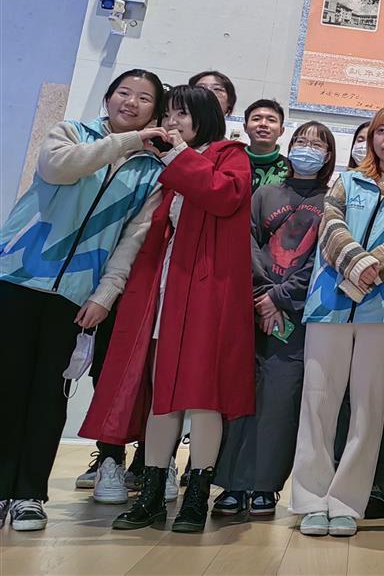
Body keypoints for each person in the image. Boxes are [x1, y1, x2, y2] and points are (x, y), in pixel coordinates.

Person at [81, 85, 254, 534]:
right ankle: (152, 494)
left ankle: (197, 496)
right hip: (163, 293)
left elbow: (224, 196)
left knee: (204, 398)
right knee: (162, 396)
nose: (171, 122)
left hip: (206, 297)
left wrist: (178, 155)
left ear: (204, 117)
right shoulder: (165, 166)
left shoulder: (230, 155)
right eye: (168, 115)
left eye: (181, 114)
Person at [0, 69, 167, 531]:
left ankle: (28, 495)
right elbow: (59, 168)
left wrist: (106, 295)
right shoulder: (71, 133)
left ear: (156, 110)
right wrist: (126, 142)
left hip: (76, 295)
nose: (131, 103)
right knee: (6, 385)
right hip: (16, 277)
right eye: (124, 93)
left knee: (49, 393)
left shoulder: (151, 173)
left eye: (144, 98)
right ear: (108, 98)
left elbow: (132, 241)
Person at [289, 106, 384, 538]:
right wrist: (356, 266)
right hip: (328, 305)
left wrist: (369, 270)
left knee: (369, 409)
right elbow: (330, 229)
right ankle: (311, 499)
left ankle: (347, 502)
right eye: (381, 130)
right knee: (317, 402)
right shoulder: (347, 181)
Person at [211, 121, 336, 518]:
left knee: (282, 401)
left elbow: (324, 256)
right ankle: (232, 483)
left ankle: (266, 485)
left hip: (298, 314)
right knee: (241, 395)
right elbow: (245, 241)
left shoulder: (332, 200)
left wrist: (281, 297)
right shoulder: (265, 194)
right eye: (301, 140)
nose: (307, 148)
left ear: (328, 155)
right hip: (253, 307)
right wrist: (264, 296)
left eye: (317, 143)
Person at [243, 99, 289, 189]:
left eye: (271, 120)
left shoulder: (290, 169)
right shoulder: (230, 161)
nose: (263, 124)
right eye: (256, 119)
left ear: (281, 131)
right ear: (245, 127)